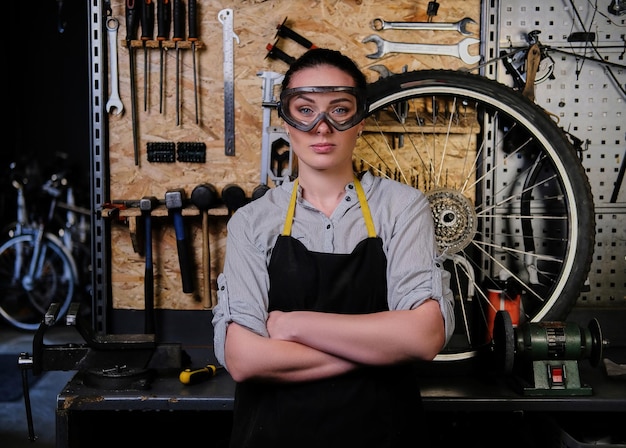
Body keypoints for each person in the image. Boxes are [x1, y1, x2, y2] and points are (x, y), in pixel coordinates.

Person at [212, 48, 455, 448]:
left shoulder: (402, 207)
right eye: (305, 109)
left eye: (339, 109)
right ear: (286, 122)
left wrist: (291, 325)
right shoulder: (252, 223)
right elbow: (244, 359)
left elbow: (424, 336)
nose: (321, 127)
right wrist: (381, 350)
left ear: (360, 121)